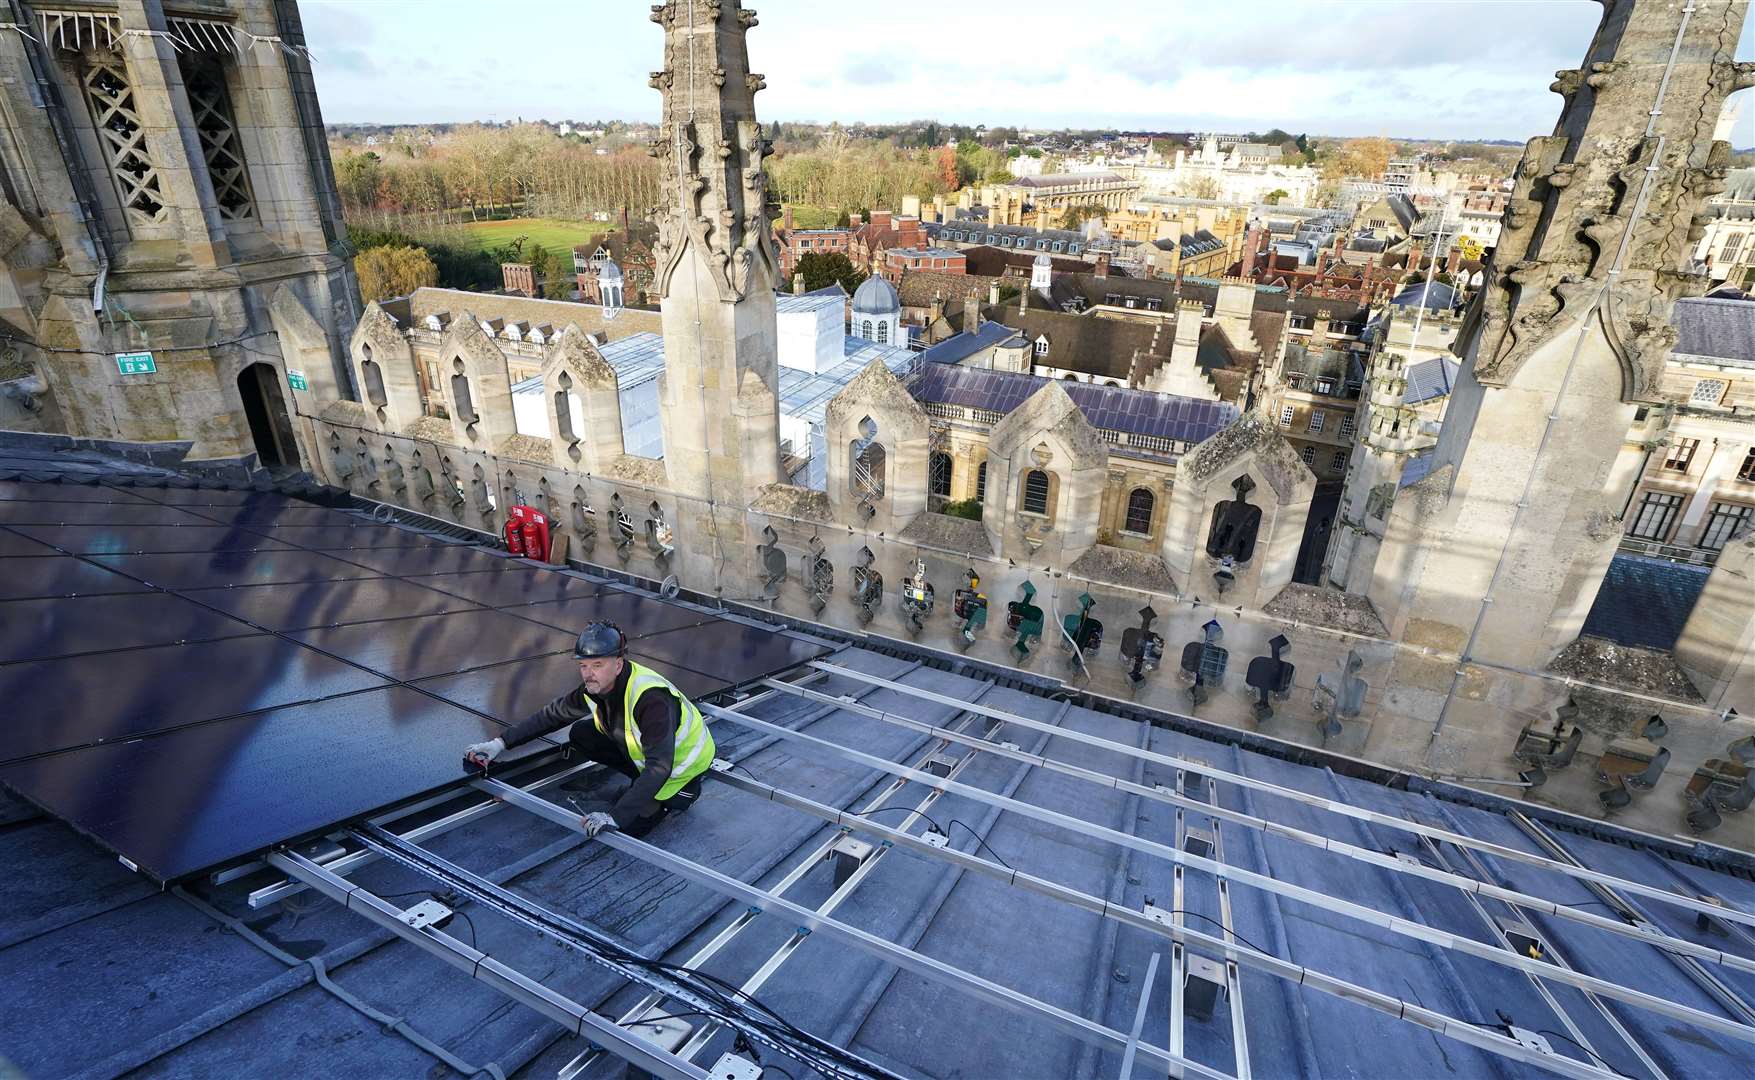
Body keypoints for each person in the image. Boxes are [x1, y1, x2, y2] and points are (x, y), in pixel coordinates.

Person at [462, 620, 714, 839]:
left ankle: (667, 802)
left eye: (597, 665)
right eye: (584, 666)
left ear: (618, 664)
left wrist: (614, 816)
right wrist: (498, 744)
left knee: (628, 828)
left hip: (679, 774)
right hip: (650, 762)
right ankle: (641, 787)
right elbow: (552, 715)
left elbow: (660, 766)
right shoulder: (598, 687)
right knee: (582, 734)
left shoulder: (650, 699)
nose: (588, 674)